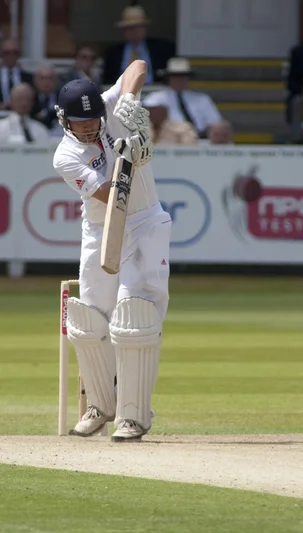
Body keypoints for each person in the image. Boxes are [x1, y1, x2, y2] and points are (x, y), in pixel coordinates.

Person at [52, 59, 171, 442]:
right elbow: (110, 195)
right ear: (63, 120)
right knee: (88, 321)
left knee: (134, 315)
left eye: (93, 121)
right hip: (101, 227)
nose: (88, 128)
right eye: (79, 123)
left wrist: (130, 101)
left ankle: (133, 416)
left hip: (145, 222)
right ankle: (101, 405)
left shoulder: (108, 106)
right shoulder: (66, 156)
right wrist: (130, 158)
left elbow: (138, 65)